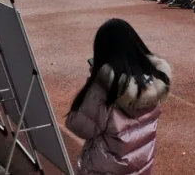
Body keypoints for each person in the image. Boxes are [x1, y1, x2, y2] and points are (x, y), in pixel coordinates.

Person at [65, 19, 170, 175]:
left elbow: (78, 125)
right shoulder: (152, 82)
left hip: (105, 168)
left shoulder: (104, 89)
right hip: (140, 166)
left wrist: (94, 81)